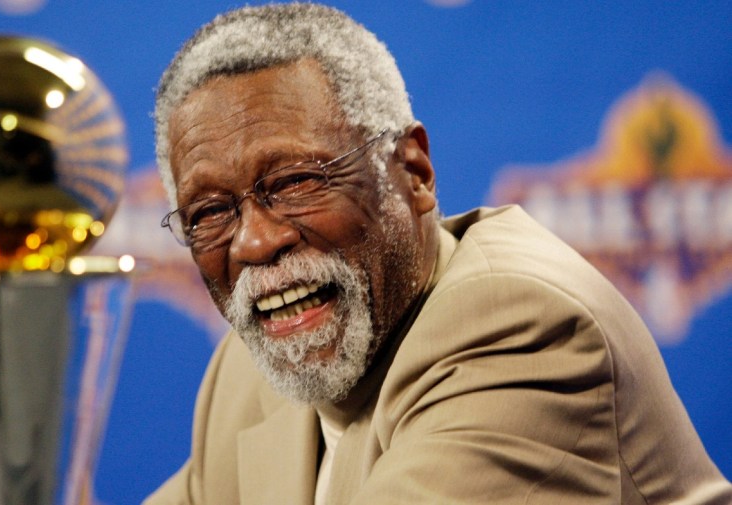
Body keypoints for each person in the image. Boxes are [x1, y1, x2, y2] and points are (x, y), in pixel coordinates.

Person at [146, 3, 732, 504]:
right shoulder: (249, 369)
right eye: (210, 213)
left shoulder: (522, 329)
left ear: (413, 171)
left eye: (297, 181)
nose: (254, 241)